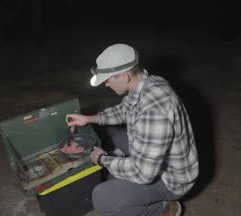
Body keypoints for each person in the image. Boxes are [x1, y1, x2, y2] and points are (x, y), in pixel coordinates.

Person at [66, 43, 198, 216]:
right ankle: (127, 180)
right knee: (120, 138)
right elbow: (122, 111)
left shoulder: (154, 112)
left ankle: (165, 208)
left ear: (125, 76)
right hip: (165, 160)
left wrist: (101, 159)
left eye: (108, 79)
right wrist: (89, 119)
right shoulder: (147, 82)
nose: (105, 84)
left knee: (102, 197)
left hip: (173, 180)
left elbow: (143, 173)